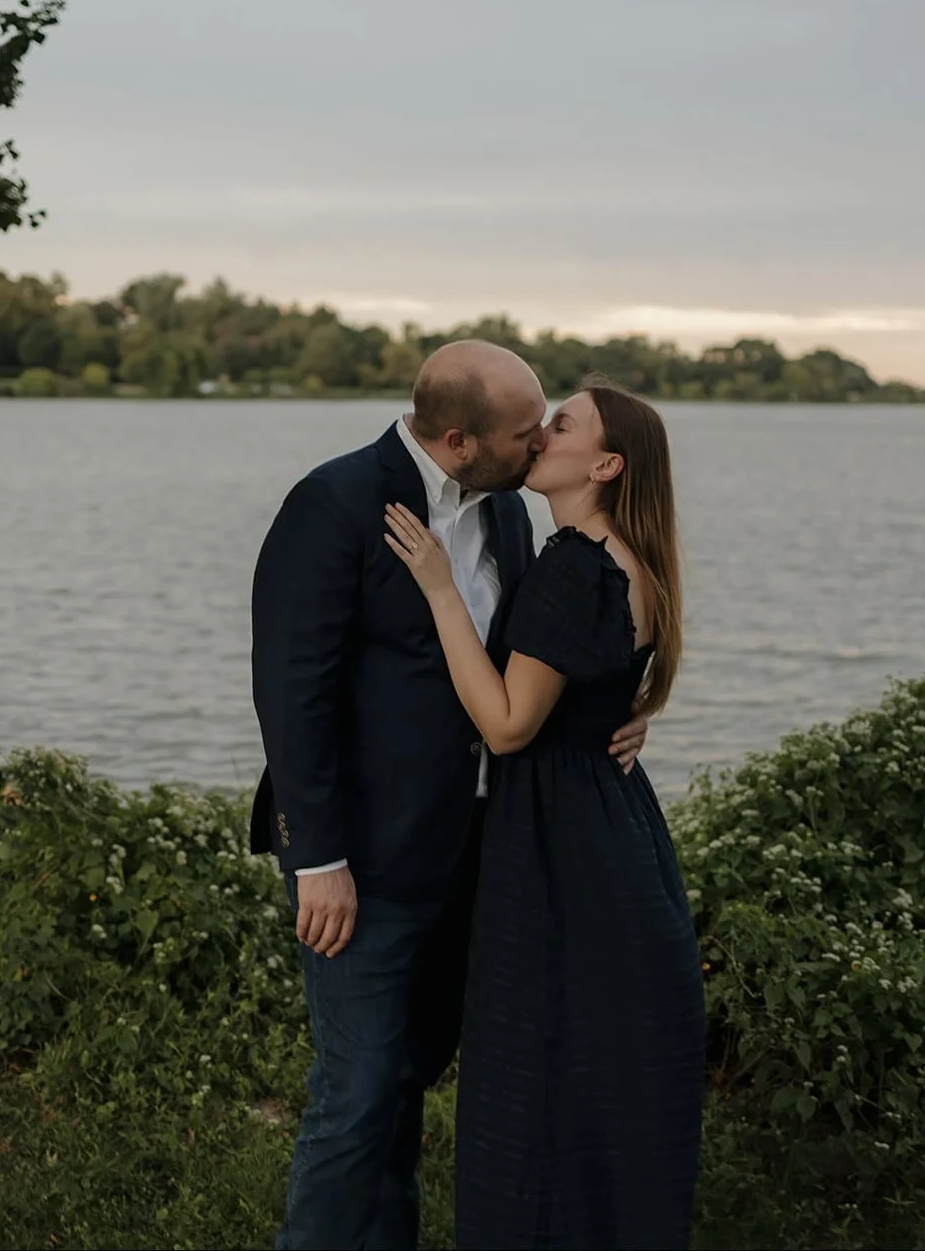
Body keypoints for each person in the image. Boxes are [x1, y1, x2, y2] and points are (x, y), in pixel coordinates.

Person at [249, 341, 649, 1251]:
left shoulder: (511, 514)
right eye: (524, 430)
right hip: (362, 860)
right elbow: (290, 691)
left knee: (407, 1080)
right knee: (353, 1096)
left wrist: (618, 717)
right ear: (460, 440)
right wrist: (319, 858)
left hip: (477, 847)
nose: (540, 439)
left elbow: (530, 665)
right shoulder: (336, 502)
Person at [385, 377, 705, 1251]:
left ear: (602, 463)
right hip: (617, 833)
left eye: (559, 425)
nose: (536, 435)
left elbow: (508, 724)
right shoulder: (626, 559)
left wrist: (440, 588)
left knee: (537, 1075)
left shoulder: (570, 564)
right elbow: (595, 692)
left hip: (562, 849)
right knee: (602, 1078)